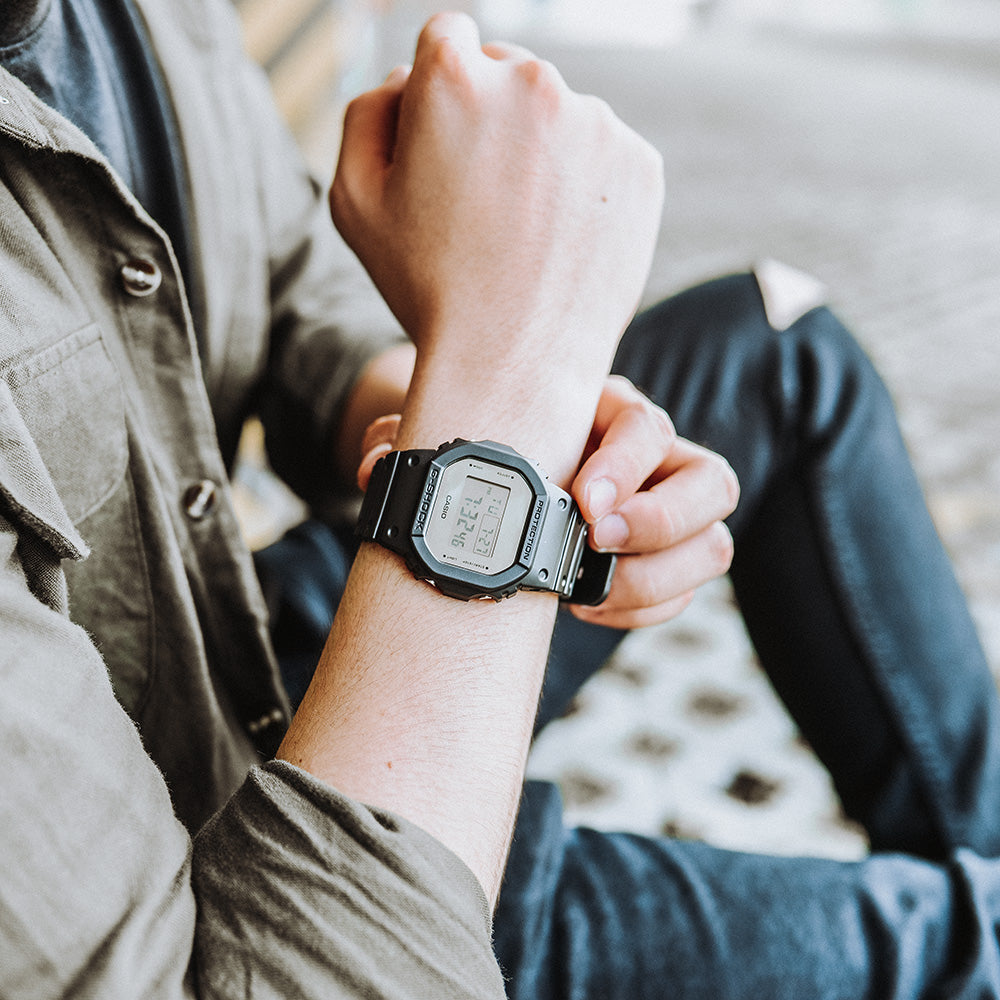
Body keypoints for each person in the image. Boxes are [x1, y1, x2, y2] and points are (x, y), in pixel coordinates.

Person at [2, 4, 1000, 1000]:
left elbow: (282, 276)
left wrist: (430, 411)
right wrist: (511, 376)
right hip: (294, 902)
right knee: (958, 939)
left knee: (780, 348)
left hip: (223, 622)